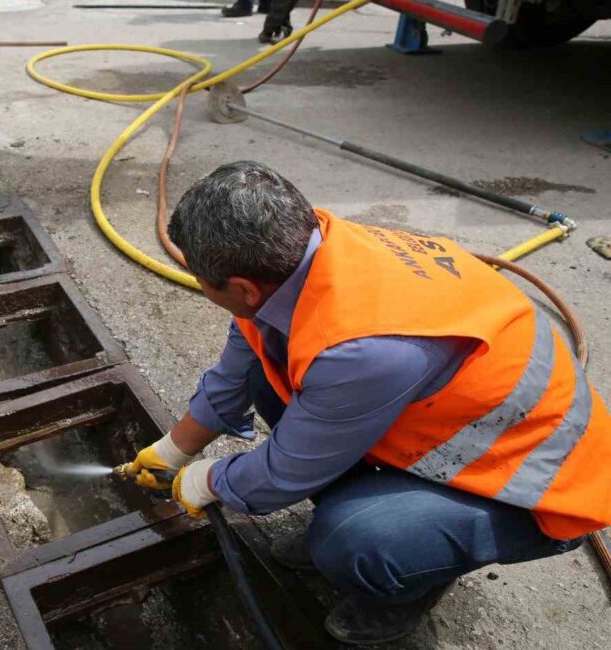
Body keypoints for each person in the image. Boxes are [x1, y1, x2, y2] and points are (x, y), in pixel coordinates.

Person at [124, 161, 611, 645]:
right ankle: (376, 513)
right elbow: (238, 365)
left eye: (202, 280)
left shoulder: (360, 344)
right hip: (454, 421)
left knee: (355, 541)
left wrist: (207, 481)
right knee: (266, 376)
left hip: (534, 484)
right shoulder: (300, 252)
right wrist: (173, 451)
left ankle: (404, 582)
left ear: (243, 289)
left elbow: (281, 476)